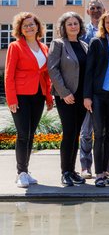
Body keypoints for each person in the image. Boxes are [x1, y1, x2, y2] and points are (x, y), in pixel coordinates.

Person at [4, 12, 53, 188]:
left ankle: (26, 170)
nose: (29, 27)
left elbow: (46, 75)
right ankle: (21, 173)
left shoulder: (44, 47)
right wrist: (11, 98)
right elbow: (9, 74)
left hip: (38, 95)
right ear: (20, 29)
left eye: (32, 24)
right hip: (21, 96)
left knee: (31, 133)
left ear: (38, 26)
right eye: (25, 25)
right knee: (23, 134)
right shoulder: (15, 47)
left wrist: (48, 96)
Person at [83, 10, 109, 187]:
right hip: (98, 95)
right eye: (107, 22)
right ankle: (99, 174)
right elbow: (89, 71)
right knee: (99, 134)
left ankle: (105, 169)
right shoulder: (96, 43)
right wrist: (87, 96)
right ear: (103, 24)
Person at [48, 12, 88, 187]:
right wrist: (64, 93)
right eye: (70, 24)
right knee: (69, 133)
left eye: (76, 23)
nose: (73, 26)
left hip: (81, 97)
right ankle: (65, 171)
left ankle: (72, 170)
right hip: (66, 97)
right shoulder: (58, 44)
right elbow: (52, 69)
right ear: (63, 27)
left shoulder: (85, 45)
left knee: (76, 133)